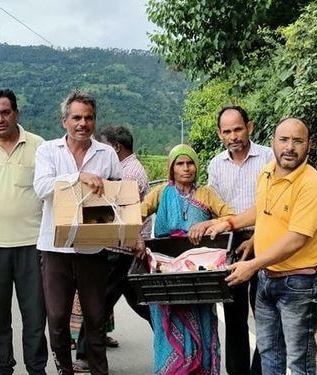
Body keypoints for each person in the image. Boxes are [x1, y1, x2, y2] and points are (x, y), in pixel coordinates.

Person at [206, 118, 317, 374]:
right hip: (268, 278)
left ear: (309, 145)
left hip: (300, 283)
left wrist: (252, 265)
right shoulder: (267, 172)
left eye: (298, 141)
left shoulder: (312, 185)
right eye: (284, 140)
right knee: (269, 353)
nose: (290, 147)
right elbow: (262, 210)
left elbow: (296, 239)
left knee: (298, 360)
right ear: (272, 141)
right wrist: (228, 223)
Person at [33, 90, 123, 375]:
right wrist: (78, 178)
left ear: (94, 121)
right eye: (76, 118)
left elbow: (117, 196)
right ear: (64, 121)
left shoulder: (106, 153)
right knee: (57, 319)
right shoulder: (48, 151)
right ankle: (64, 370)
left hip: (92, 250)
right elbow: (42, 188)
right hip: (55, 249)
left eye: (88, 118)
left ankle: (99, 371)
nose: (82, 123)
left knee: (96, 317)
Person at [0, 89, 48, 375]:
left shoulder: (39, 146)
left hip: (34, 245)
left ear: (16, 112)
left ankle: (36, 368)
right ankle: (2, 369)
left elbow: (49, 195)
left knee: (36, 316)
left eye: (5, 112)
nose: (0, 118)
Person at [140, 144, 235, 375]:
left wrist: (207, 224)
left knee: (202, 323)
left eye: (190, 163)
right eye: (180, 164)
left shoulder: (206, 193)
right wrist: (137, 239)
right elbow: (138, 213)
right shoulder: (161, 192)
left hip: (198, 274)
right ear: (171, 168)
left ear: (196, 166)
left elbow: (230, 216)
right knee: (168, 329)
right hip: (166, 271)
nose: (186, 169)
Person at [73, 125, 152, 373]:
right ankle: (169, 336)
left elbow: (116, 211)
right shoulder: (129, 168)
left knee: (101, 301)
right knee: (132, 300)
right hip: (124, 248)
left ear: (115, 147)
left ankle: (84, 354)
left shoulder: (129, 173)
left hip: (122, 248)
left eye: (104, 145)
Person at [207, 105, 273, 375]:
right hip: (231, 246)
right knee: (235, 320)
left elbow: (278, 206)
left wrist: (257, 237)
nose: (233, 136)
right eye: (227, 131)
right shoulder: (216, 165)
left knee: (266, 318)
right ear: (220, 134)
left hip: (267, 242)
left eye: (238, 129)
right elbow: (213, 207)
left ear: (250, 127)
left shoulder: (269, 158)